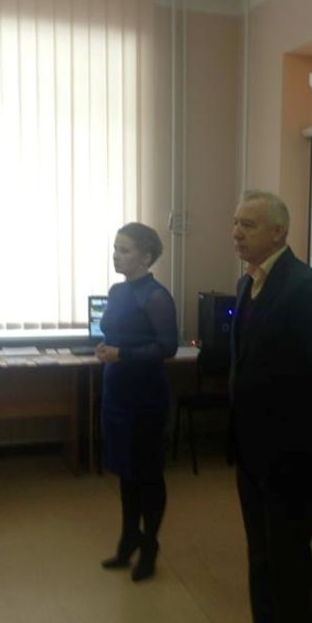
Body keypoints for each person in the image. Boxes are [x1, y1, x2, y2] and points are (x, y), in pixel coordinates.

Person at [215, 190, 312, 623]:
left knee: (289, 556)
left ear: (278, 232)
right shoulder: (248, 282)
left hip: (290, 452)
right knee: (260, 552)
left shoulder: (305, 288)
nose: (236, 233)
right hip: (251, 447)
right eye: (235, 223)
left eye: (248, 225)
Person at [97, 222, 179, 582]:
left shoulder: (157, 297)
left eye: (124, 250)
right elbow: (118, 333)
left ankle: (150, 545)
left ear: (145, 257)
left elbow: (167, 347)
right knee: (125, 472)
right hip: (116, 391)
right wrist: (109, 349)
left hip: (144, 398)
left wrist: (122, 353)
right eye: (115, 248)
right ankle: (128, 537)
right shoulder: (118, 291)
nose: (116, 255)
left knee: (147, 475)